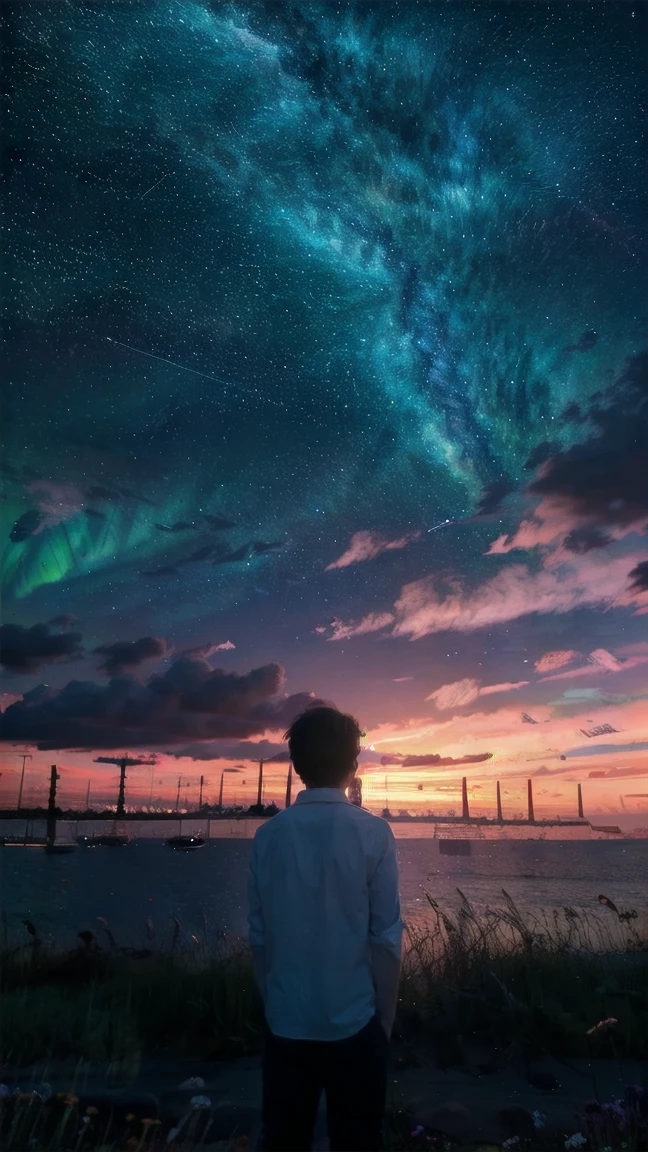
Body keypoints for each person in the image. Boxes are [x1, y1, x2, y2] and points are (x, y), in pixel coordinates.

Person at [247, 705, 403, 1152]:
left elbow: (258, 938)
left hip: (286, 1025)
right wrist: (384, 1022)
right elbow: (386, 939)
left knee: (282, 1139)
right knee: (357, 1140)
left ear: (296, 766)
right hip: (355, 1024)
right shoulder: (374, 834)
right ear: (353, 766)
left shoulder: (268, 837)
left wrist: (274, 1004)